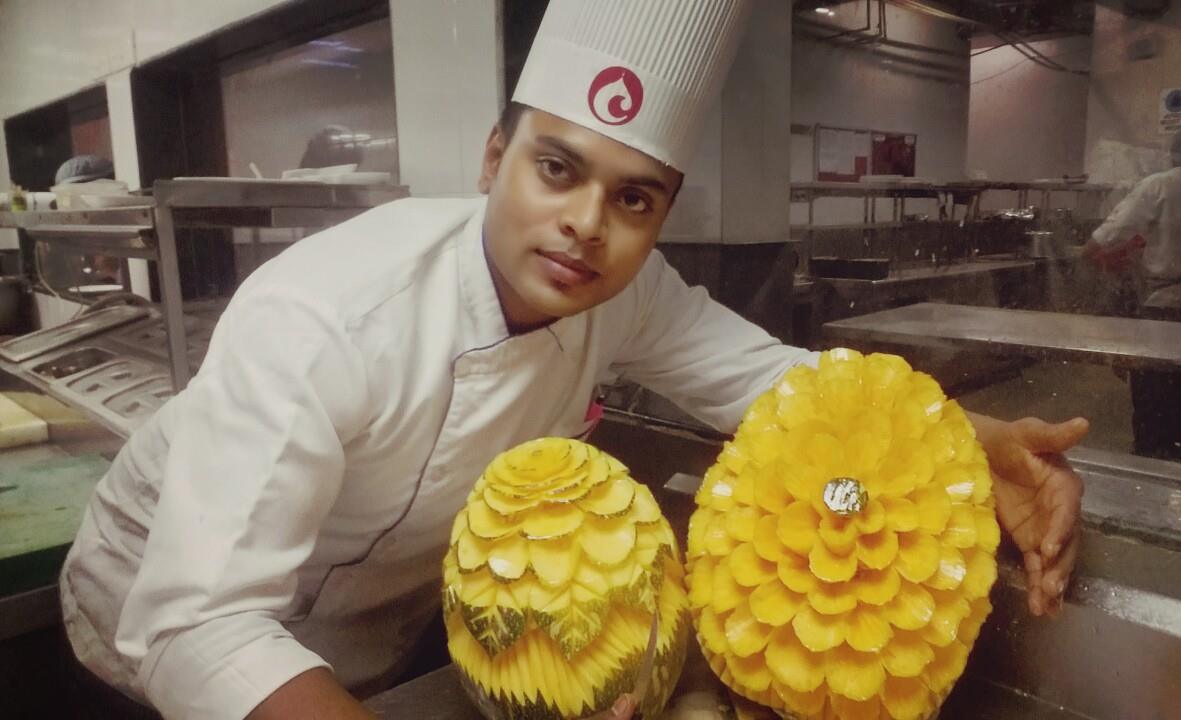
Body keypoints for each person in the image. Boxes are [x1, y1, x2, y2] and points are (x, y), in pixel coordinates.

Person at [60, 2, 1087, 719]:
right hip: (150, 636)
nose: (586, 225)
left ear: (661, 215)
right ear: (492, 158)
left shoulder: (623, 294)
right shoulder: (328, 314)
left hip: (365, 652)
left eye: (633, 198)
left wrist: (972, 448)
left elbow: (783, 392)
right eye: (556, 168)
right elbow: (198, 629)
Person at [1085, 127, 1181, 460]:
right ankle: (1175, 456)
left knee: (1151, 391)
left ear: (1175, 153)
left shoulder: (1159, 185)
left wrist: (1087, 251)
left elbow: (1116, 227)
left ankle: (1149, 459)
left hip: (1161, 304)